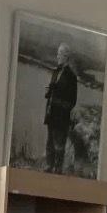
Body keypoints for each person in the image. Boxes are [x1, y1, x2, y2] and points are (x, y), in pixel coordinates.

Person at [44, 43, 78, 172]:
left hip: (61, 117)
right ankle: (48, 167)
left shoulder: (71, 77)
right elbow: (53, 89)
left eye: (60, 54)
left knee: (59, 145)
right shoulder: (56, 71)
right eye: (58, 53)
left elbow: (72, 101)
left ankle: (57, 171)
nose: (57, 56)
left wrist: (58, 98)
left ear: (66, 56)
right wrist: (49, 92)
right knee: (49, 143)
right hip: (51, 113)